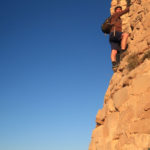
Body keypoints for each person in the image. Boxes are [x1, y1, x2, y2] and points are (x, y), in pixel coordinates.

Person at [109, 5, 130, 72]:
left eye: (120, 9)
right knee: (125, 35)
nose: (119, 10)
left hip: (112, 36)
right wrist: (131, 7)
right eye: (118, 9)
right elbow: (125, 11)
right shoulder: (115, 14)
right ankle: (123, 51)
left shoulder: (113, 18)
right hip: (115, 33)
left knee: (114, 51)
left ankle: (114, 64)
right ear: (115, 11)